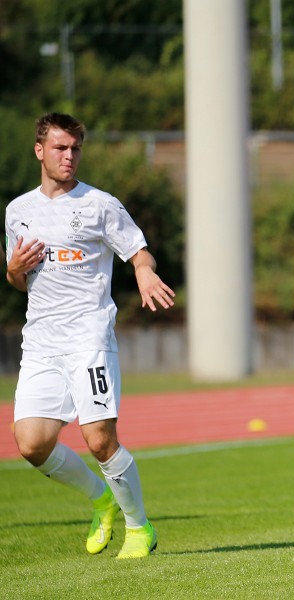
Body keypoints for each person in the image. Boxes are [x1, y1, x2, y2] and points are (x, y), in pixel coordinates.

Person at [4, 113, 175, 559]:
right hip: (41, 341)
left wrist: (143, 274)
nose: (69, 156)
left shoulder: (100, 204)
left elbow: (140, 254)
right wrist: (13, 270)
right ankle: (101, 500)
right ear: (40, 150)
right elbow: (18, 278)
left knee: (99, 438)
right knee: (31, 444)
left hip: (89, 337)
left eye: (76, 148)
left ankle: (140, 528)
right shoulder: (18, 211)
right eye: (60, 148)